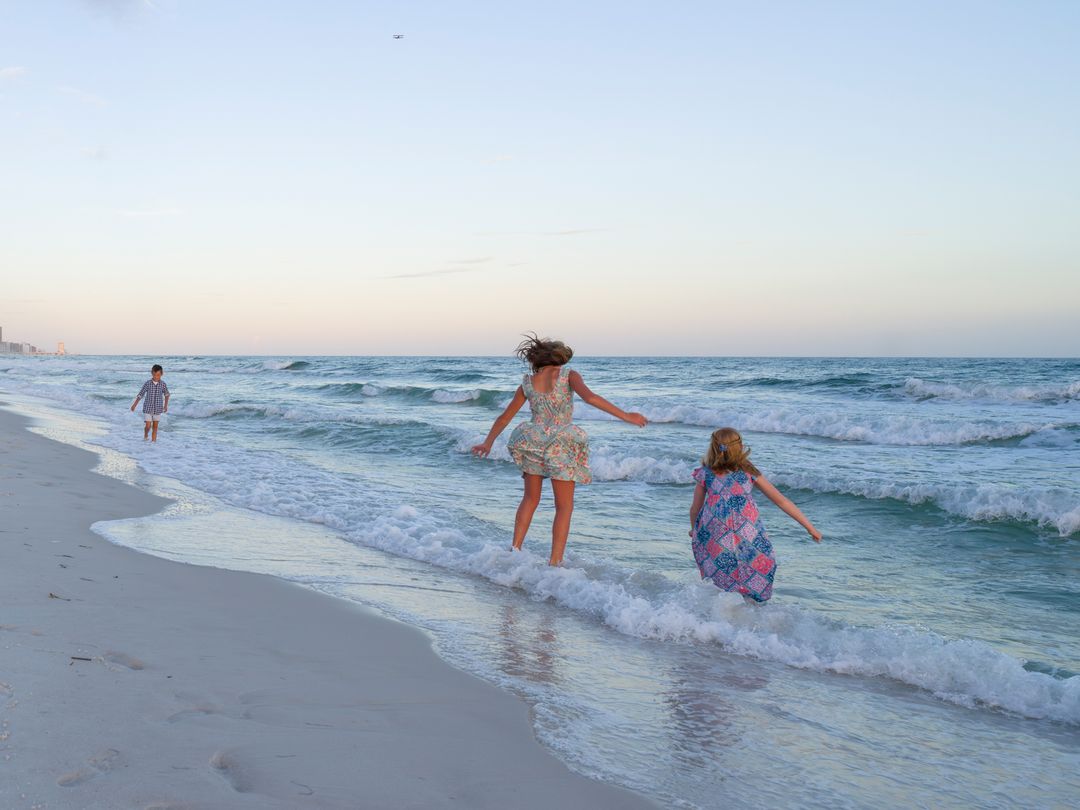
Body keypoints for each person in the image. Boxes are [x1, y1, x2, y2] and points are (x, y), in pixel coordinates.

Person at [471, 335, 647, 565]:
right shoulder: (568, 375)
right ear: (561, 359)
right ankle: (554, 563)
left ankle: (514, 550)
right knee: (564, 507)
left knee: (530, 499)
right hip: (561, 442)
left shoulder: (527, 382)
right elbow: (590, 398)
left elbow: (505, 417)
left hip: (532, 439)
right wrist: (626, 416)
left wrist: (488, 442)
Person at [689, 427, 821, 603]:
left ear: (713, 447)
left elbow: (695, 508)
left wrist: (694, 529)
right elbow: (781, 501)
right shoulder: (748, 472)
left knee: (720, 575)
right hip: (748, 533)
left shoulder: (705, 473)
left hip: (715, 533)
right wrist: (810, 527)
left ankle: (720, 616)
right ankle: (749, 613)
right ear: (740, 446)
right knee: (758, 566)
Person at [130, 364, 170, 442]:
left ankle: (153, 444)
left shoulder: (163, 384)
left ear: (161, 374)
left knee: (155, 427)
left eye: (158, 375)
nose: (156, 377)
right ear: (152, 373)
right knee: (148, 426)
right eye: (154, 375)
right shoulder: (147, 383)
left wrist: (165, 406)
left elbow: (167, 395)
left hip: (158, 409)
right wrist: (134, 405)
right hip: (148, 408)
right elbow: (140, 394)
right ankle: (146, 434)